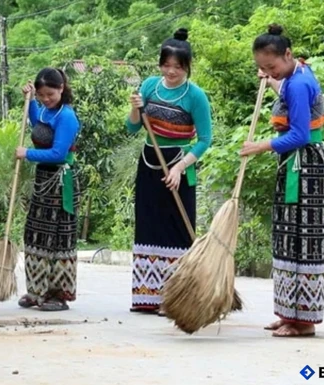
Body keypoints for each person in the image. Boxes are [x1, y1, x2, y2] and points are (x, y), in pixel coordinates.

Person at [241, 24, 324, 338]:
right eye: (263, 68)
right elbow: (292, 102)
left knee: (303, 243)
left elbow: (299, 133)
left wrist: (259, 146)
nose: (269, 72)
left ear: (288, 55)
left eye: (272, 66)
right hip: (297, 164)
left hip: (307, 168)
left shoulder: (297, 84)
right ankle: (288, 313)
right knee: (287, 239)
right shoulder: (296, 75)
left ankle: (304, 320)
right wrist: (271, 83)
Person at [125, 28, 213, 316]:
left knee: (176, 228)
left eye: (178, 66)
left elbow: (204, 140)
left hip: (179, 164)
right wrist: (136, 108)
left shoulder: (195, 96)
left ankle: (175, 296)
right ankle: (147, 295)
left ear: (187, 67)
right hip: (149, 163)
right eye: (166, 65)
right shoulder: (150, 86)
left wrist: (179, 168)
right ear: (160, 64)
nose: (171, 71)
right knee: (149, 224)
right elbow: (133, 127)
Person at [15, 68, 81, 311]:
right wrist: (31, 100)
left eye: (50, 94)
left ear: (61, 88)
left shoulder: (67, 117)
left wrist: (27, 153)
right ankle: (36, 290)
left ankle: (58, 294)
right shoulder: (44, 110)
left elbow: (58, 153)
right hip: (43, 181)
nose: (46, 99)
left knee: (57, 239)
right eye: (42, 94)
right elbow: (37, 125)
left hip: (61, 182)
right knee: (36, 234)